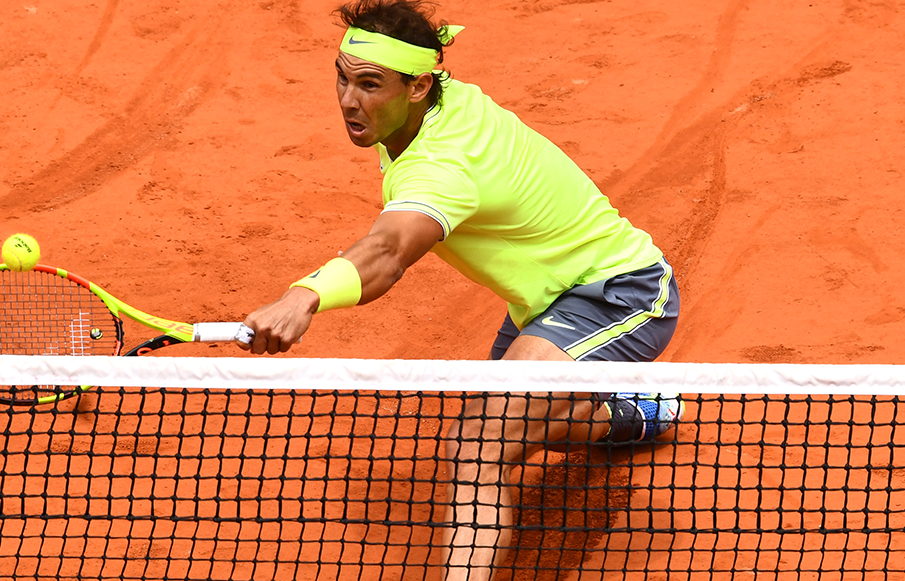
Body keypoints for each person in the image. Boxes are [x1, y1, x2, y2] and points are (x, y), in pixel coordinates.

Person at [238, 1, 683, 580]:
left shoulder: (445, 163)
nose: (348, 101)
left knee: (479, 444)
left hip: (620, 292)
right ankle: (630, 415)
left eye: (369, 85)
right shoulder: (429, 104)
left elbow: (388, 253)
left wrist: (304, 296)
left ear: (419, 86)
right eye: (342, 79)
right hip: (541, 303)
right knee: (522, 427)